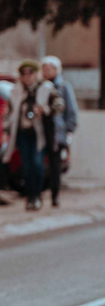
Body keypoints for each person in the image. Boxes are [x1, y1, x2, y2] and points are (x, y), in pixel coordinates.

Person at [2, 61, 64, 211]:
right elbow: (10, 113)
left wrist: (44, 109)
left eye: (30, 73)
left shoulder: (46, 88)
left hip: (40, 134)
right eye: (24, 73)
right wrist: (6, 130)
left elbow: (60, 105)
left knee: (37, 163)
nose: (27, 76)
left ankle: (37, 196)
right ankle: (31, 197)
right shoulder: (16, 91)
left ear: (35, 74)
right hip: (23, 133)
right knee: (27, 166)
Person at [42, 56, 79, 208]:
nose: (46, 71)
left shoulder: (63, 87)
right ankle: (35, 197)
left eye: (50, 68)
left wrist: (67, 129)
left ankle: (54, 196)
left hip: (57, 133)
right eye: (44, 68)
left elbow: (71, 111)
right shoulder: (40, 87)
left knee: (55, 166)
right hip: (41, 131)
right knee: (37, 164)